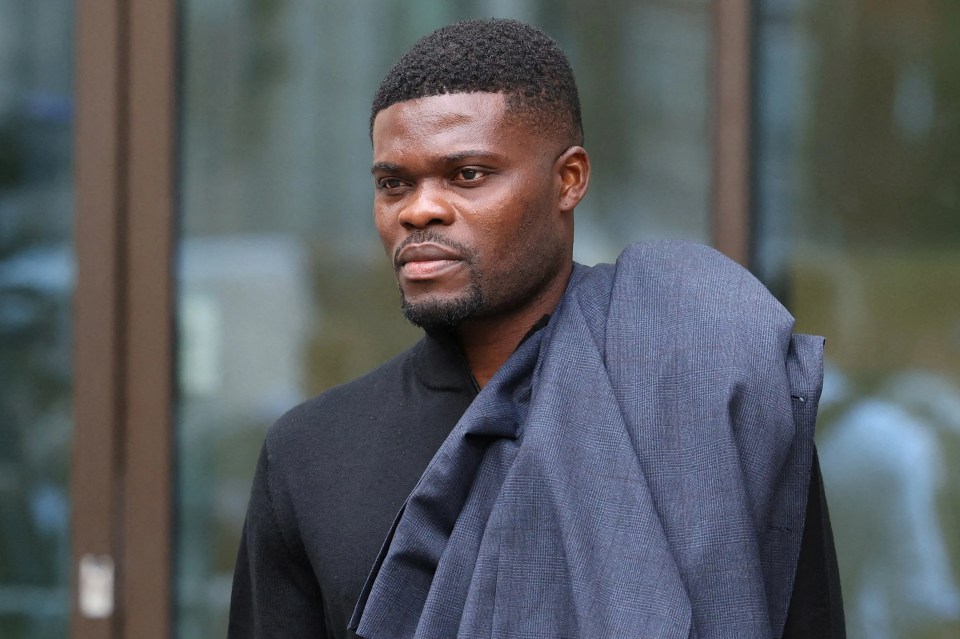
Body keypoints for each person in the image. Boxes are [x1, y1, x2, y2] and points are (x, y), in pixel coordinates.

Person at [228, 18, 844, 639]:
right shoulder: (312, 454)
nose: (419, 209)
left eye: (467, 175)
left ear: (568, 180)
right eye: (394, 184)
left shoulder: (708, 389)